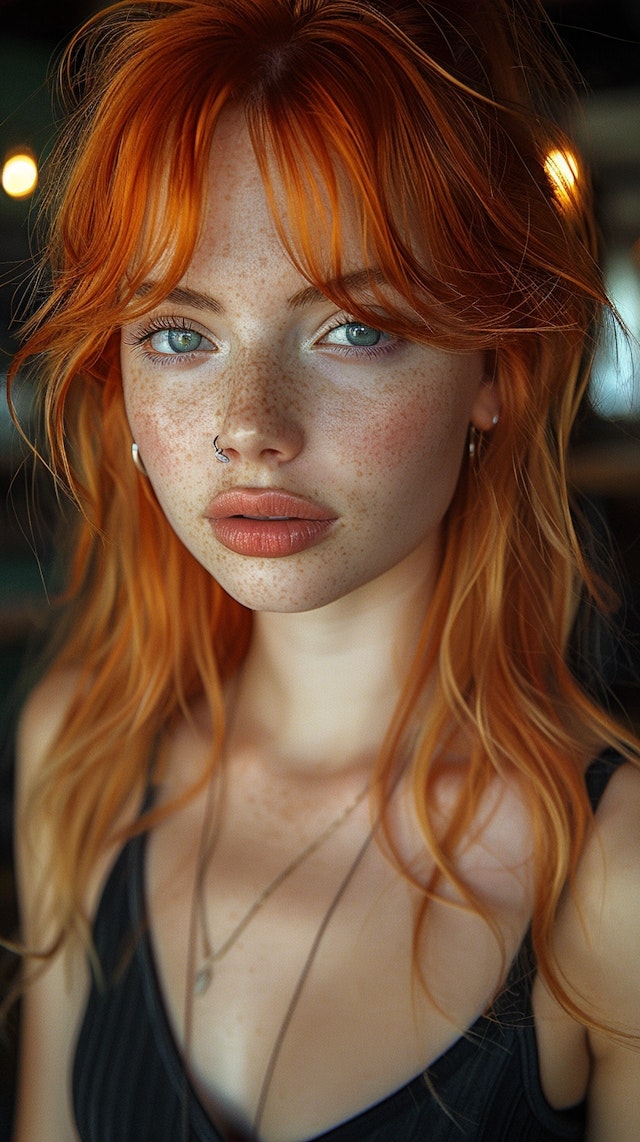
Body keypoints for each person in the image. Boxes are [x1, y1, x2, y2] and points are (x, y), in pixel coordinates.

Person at [6, 0, 640, 1138]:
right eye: (180, 333)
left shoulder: (611, 880)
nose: (250, 427)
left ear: (493, 369)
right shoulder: (79, 756)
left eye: (353, 328)